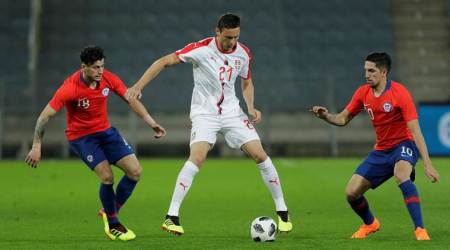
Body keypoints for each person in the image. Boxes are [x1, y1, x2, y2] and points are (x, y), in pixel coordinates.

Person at [125, 13, 292, 235]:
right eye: (228, 37)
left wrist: (250, 106)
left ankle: (282, 211)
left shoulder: (243, 53)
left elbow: (247, 81)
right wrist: (138, 86)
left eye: (236, 37)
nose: (232, 42)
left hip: (233, 113)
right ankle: (171, 216)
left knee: (261, 155)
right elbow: (163, 62)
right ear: (217, 31)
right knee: (198, 157)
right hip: (205, 113)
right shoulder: (201, 49)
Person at [25, 45, 166, 241]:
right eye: (95, 67)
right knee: (107, 177)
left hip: (106, 132)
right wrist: (36, 146)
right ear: (84, 67)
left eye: (101, 66)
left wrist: (151, 123)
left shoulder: (108, 78)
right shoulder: (70, 88)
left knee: (135, 172)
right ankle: (114, 224)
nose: (100, 71)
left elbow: (130, 99)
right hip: (82, 137)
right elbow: (44, 117)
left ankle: (110, 209)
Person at [310, 52, 440, 240]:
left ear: (384, 72)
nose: (366, 74)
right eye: (365, 70)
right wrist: (326, 116)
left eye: (371, 71)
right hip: (381, 150)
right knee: (351, 192)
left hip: (404, 144)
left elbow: (416, 131)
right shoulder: (363, 93)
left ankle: (420, 230)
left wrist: (427, 163)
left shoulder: (399, 93)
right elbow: (342, 118)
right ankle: (370, 223)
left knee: (401, 174)